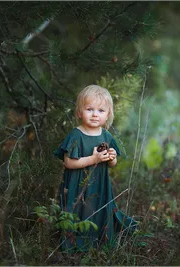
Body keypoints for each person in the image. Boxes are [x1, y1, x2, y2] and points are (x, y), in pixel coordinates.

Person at [53, 84, 138, 253]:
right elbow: (69, 163)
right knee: (78, 211)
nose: (94, 114)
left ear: (108, 115)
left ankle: (97, 243)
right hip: (77, 185)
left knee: (97, 211)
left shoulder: (106, 136)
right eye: (89, 109)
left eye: (100, 110)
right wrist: (93, 158)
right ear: (79, 112)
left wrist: (111, 158)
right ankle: (75, 245)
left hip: (100, 183)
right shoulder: (76, 135)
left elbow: (111, 165)